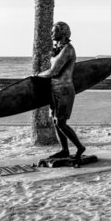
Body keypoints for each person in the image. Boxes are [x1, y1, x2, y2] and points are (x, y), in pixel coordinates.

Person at [35, 21, 85, 159]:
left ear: (63, 32)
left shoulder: (68, 49)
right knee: (56, 122)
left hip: (64, 90)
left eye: (54, 31)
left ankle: (80, 148)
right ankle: (65, 150)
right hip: (55, 89)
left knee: (61, 123)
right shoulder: (59, 48)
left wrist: (36, 76)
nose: (51, 33)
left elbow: (54, 71)